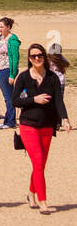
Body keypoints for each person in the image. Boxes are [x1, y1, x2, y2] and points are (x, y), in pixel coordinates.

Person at [12, 42, 71, 214]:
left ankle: (31, 193)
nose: (36, 58)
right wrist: (34, 99)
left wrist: (65, 119)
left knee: (40, 164)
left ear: (44, 57)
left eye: (39, 55)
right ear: (29, 59)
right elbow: (15, 100)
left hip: (47, 125)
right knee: (38, 161)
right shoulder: (23, 77)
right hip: (28, 125)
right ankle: (43, 201)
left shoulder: (53, 77)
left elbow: (59, 101)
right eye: (33, 56)